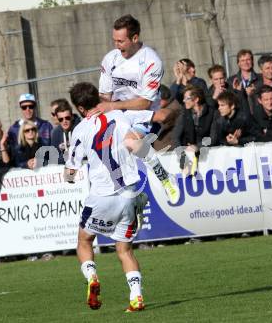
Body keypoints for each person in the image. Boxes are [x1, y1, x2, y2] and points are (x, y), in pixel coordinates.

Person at [65, 82, 171, 312]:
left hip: (102, 194)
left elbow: (71, 174)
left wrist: (70, 169)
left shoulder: (80, 130)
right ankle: (136, 297)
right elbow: (145, 138)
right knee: (124, 250)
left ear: (81, 108)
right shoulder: (120, 116)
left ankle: (92, 277)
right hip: (128, 194)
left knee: (84, 241)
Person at [93, 14, 179, 203]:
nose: (117, 45)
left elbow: (145, 103)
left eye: (121, 41)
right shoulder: (110, 59)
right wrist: (98, 108)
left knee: (130, 143)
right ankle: (134, 199)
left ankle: (165, 177)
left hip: (142, 113)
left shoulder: (151, 61)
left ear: (134, 38)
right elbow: (105, 95)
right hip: (118, 112)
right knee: (110, 154)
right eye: (114, 40)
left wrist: (112, 105)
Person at [152, 85, 182, 152]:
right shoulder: (167, 105)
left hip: (169, 149)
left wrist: (144, 116)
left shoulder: (174, 106)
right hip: (161, 148)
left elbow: (163, 117)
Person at [51, 99, 81, 164]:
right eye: (61, 119)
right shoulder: (55, 133)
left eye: (67, 118)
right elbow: (54, 158)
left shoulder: (81, 129)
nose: (64, 121)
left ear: (72, 117)